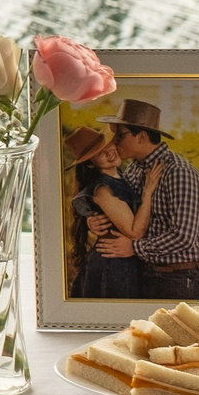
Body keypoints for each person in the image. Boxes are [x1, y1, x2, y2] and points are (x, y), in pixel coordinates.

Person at [89, 99, 199, 302]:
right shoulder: (135, 168)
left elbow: (183, 236)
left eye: (119, 135)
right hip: (144, 272)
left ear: (141, 137)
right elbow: (126, 212)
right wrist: (93, 220)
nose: (114, 141)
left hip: (177, 278)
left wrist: (134, 248)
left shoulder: (178, 172)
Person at [64, 125, 149, 300]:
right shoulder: (103, 189)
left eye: (109, 145)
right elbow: (134, 231)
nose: (109, 152)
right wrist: (148, 194)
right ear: (90, 163)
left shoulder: (121, 178)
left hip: (123, 261)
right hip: (112, 266)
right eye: (100, 153)